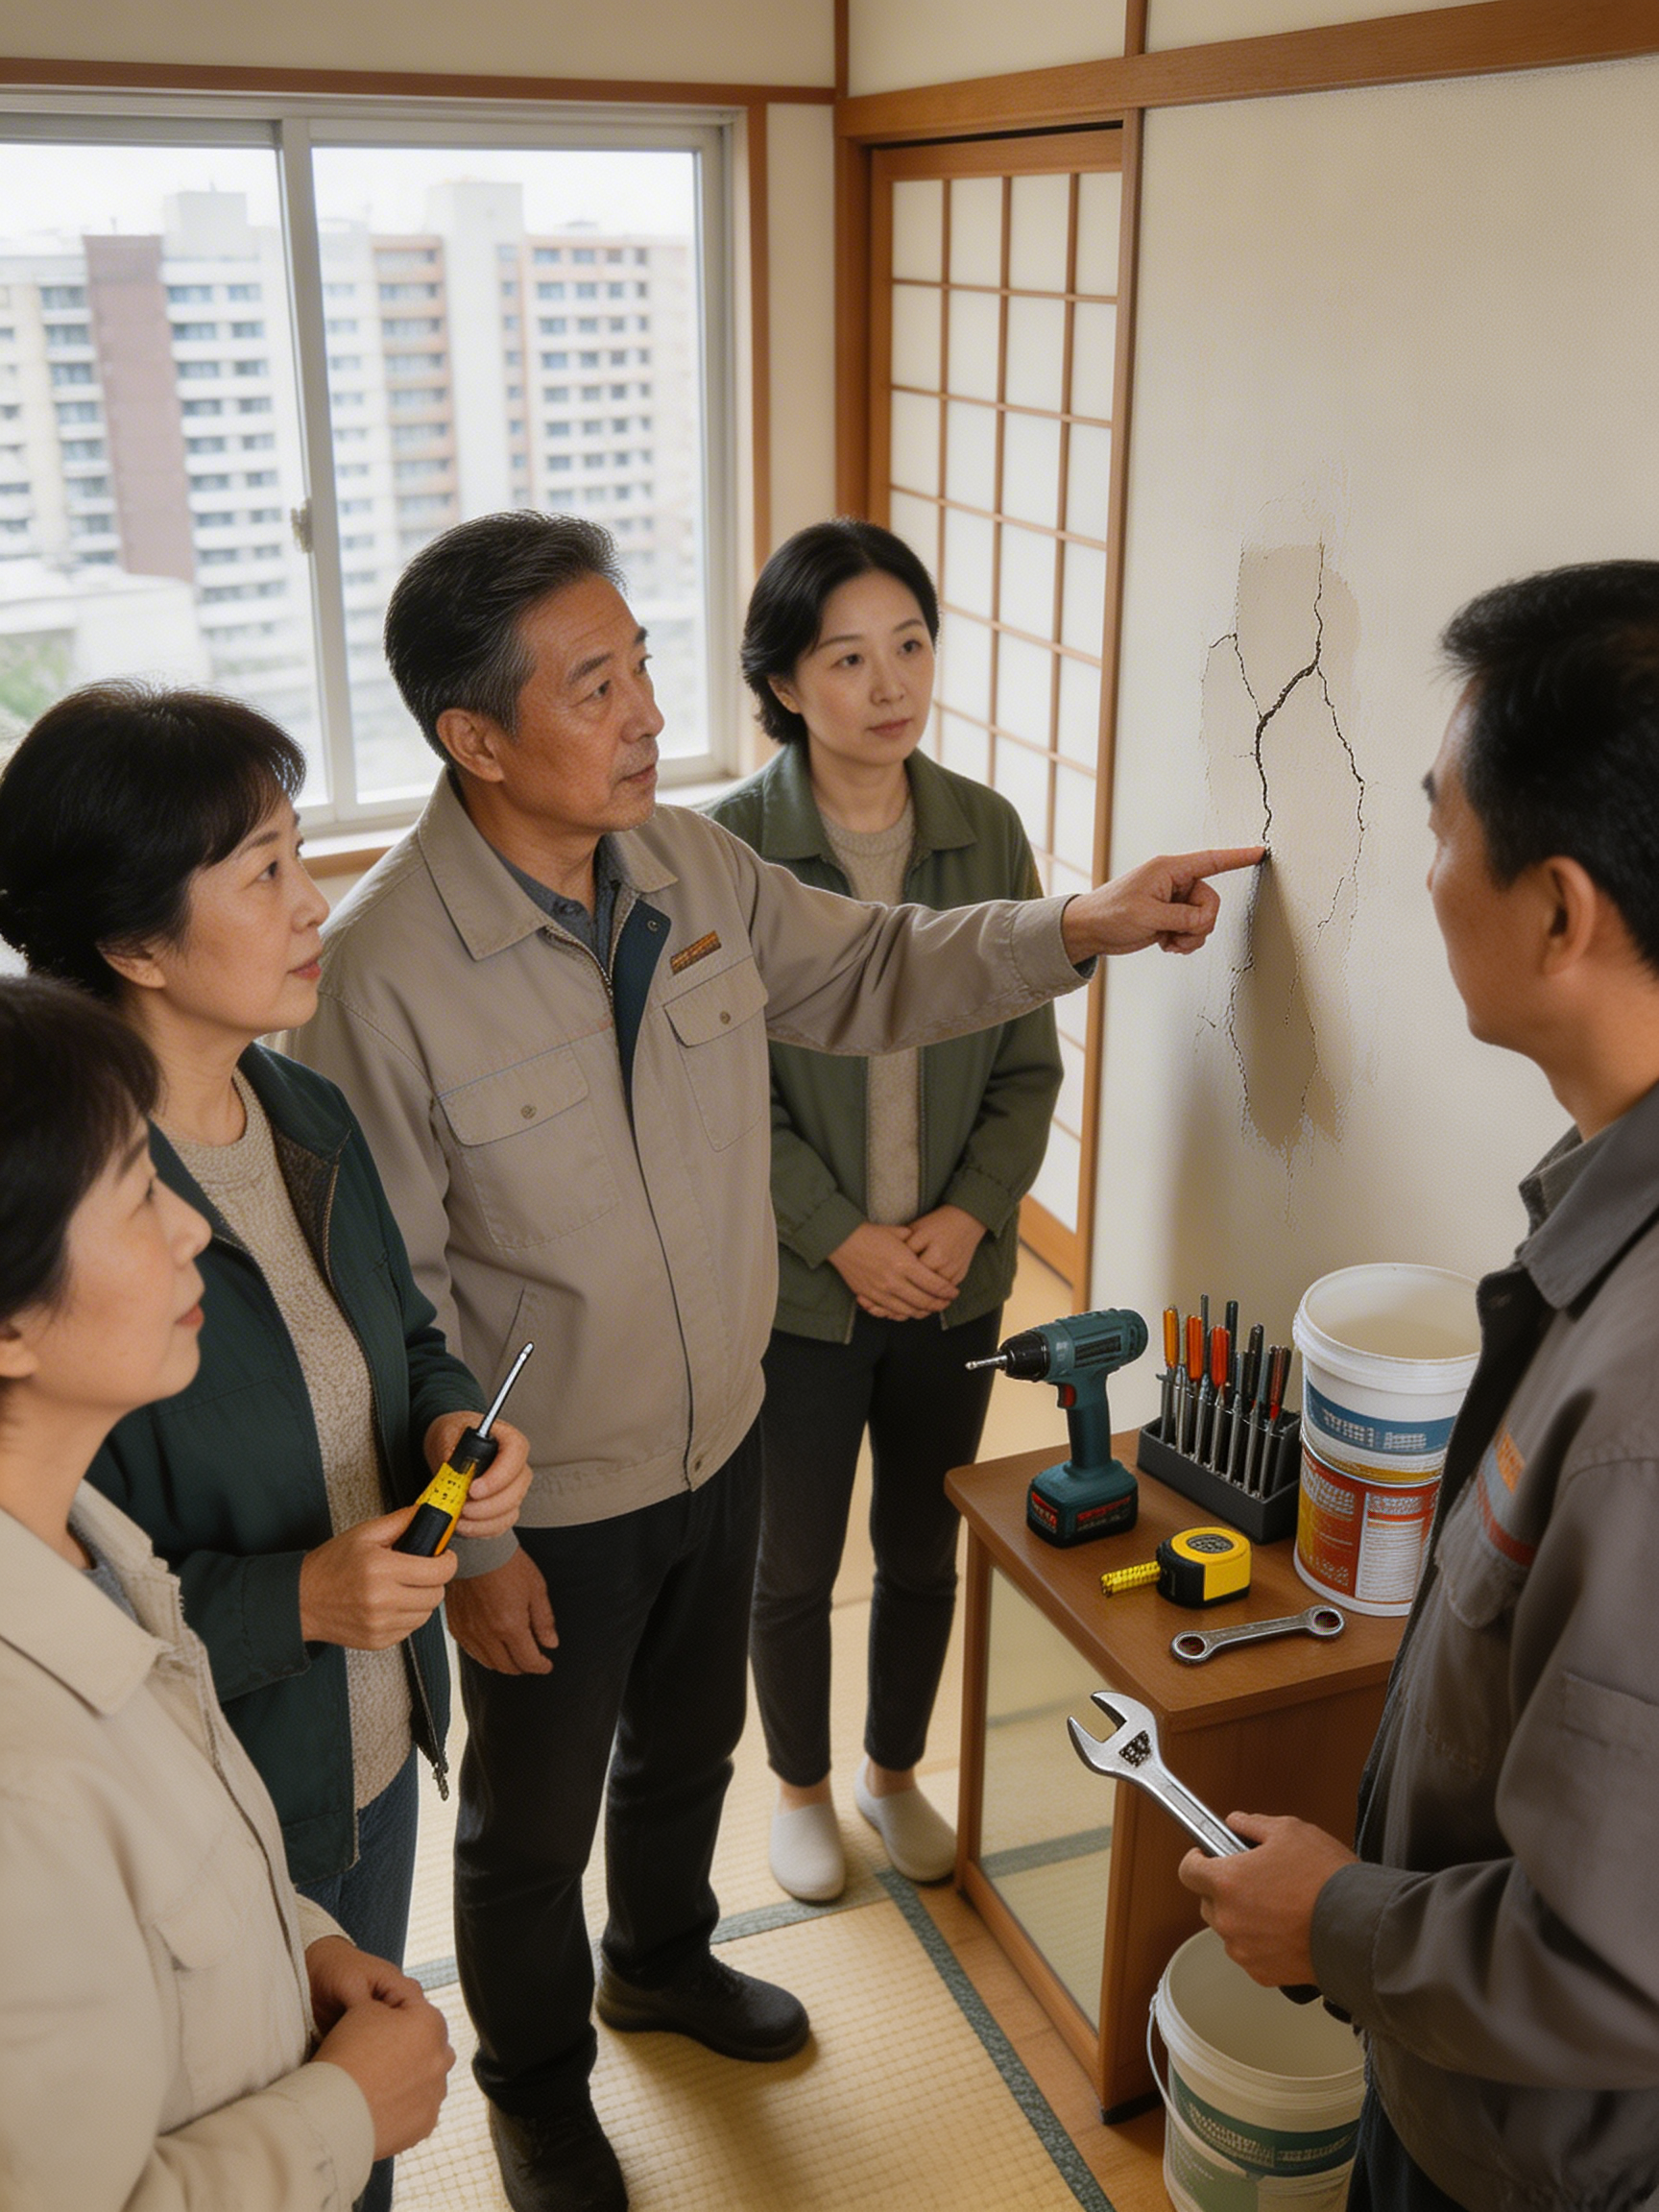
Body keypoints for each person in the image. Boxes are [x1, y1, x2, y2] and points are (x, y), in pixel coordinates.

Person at [287, 507, 1260, 2212]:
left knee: (689, 1749)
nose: (650, 710)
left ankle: (660, 1954)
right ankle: (530, 2084)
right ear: (475, 735)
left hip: (721, 1426)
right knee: (525, 1829)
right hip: (552, 1498)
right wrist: (479, 1545)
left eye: (644, 664)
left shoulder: (684, 862)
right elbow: (393, 1307)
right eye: (598, 683)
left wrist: (1081, 926)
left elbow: (872, 965)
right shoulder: (377, 974)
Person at [0, 685, 531, 2212]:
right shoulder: (56, 1235)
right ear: (135, 945)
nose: (317, 905)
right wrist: (297, 1599)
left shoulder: (300, 1107)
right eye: (266, 874)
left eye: (304, 857)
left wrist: (448, 1426)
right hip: (236, 1767)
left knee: (350, 2114)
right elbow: (86, 1590)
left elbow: (397, 1341)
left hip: (363, 1750)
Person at [1178, 561, 1659, 2212]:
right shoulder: (1602, 1229)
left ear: (1558, 909)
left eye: (1443, 825)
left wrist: (1333, 1920)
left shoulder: (1641, 1409)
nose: (1424, 867)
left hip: (1539, 2163)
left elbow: (1612, 1955)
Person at [0, 974, 456, 2209]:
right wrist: (340, 2114)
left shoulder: (87, 1540)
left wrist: (299, 1936)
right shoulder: (21, 1783)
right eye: (139, 1198)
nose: (195, 1226)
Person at [708, 518, 1060, 1903]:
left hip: (955, 1282)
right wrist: (841, 1236)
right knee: (790, 1560)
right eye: (847, 657)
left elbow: (1027, 1061)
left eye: (908, 644)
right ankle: (798, 1788)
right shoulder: (728, 851)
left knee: (926, 1547)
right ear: (786, 684)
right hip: (800, 1287)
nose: (888, 681)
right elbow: (723, 1095)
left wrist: (968, 1221)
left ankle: (893, 1771)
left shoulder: (988, 830)